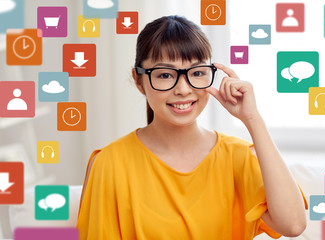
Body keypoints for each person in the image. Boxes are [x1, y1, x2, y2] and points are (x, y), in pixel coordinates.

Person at [76, 15, 308, 240]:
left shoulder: (240, 157)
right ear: (139, 80)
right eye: (165, 75)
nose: (184, 89)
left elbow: (293, 225)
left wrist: (252, 119)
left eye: (197, 73)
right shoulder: (109, 163)